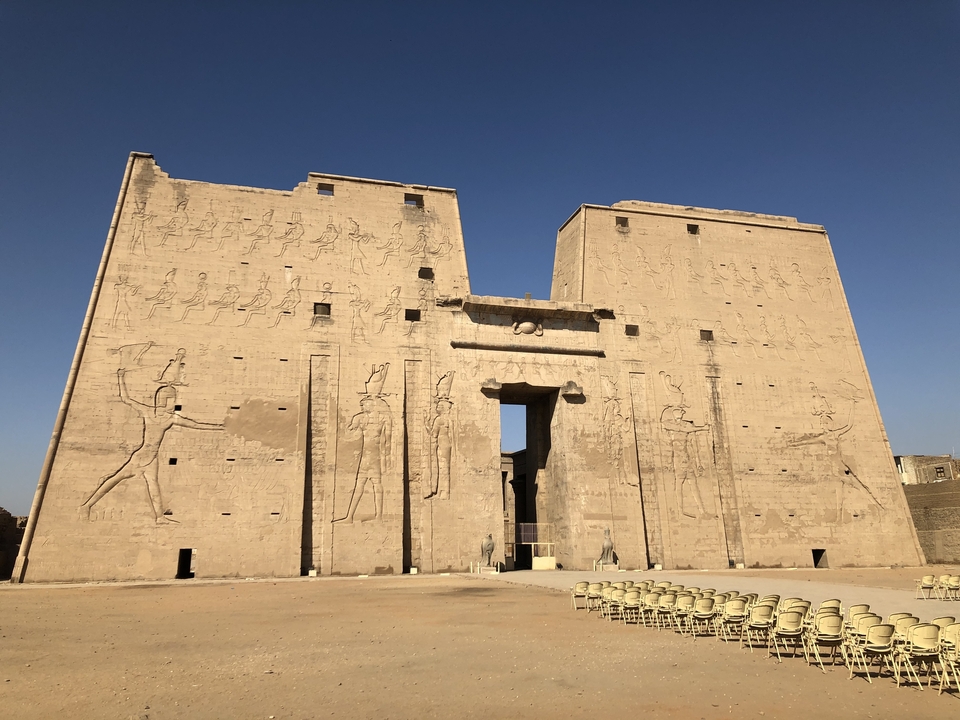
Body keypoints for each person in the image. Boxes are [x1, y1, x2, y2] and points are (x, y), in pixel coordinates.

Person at [80, 369, 222, 522]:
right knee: (115, 479)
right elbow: (126, 399)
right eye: (173, 399)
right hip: (141, 456)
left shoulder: (170, 418)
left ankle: (159, 517)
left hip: (152, 458)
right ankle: (86, 506)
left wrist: (220, 427)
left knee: (153, 486)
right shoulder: (148, 412)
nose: (175, 403)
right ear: (164, 400)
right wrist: (120, 377)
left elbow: (196, 425)